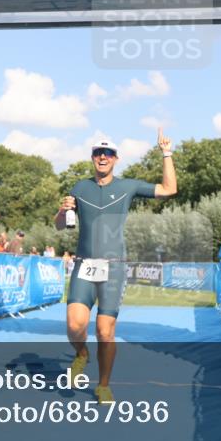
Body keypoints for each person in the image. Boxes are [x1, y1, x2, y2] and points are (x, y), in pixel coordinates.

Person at [55, 130, 177, 403]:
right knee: (74, 325)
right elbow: (60, 226)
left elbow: (169, 189)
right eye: (98, 153)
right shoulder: (79, 187)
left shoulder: (127, 186)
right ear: (92, 158)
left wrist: (166, 153)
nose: (103, 157)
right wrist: (63, 211)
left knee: (105, 330)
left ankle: (103, 385)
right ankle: (81, 353)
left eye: (108, 153)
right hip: (84, 265)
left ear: (116, 159)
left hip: (114, 267)